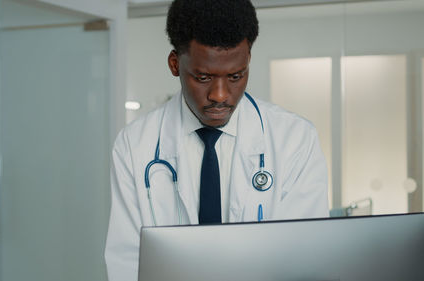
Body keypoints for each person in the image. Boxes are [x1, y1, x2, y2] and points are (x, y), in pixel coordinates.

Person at [105, 0, 329, 280]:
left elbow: (306, 258)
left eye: (235, 76)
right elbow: (127, 261)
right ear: (175, 64)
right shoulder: (134, 145)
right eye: (203, 76)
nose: (220, 95)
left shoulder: (294, 140)